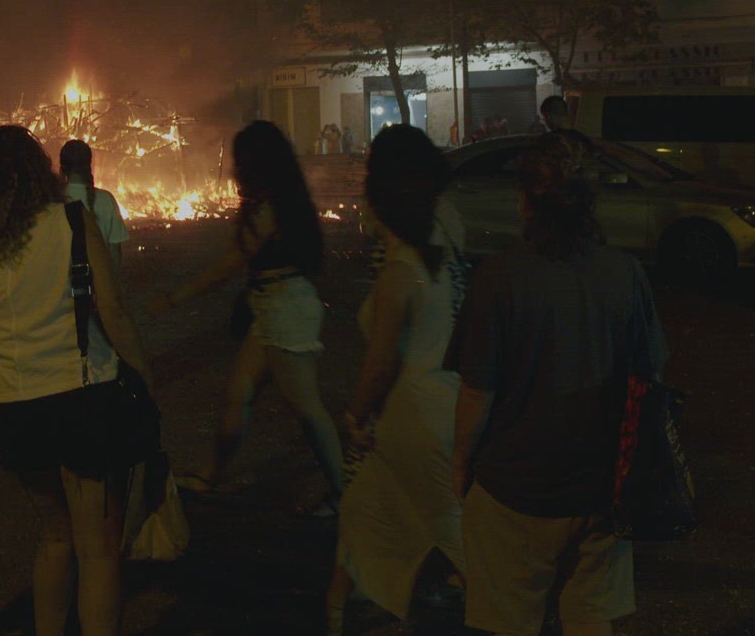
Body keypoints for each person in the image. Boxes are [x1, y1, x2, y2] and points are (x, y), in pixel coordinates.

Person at [445, 134, 668, 636]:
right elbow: (650, 375)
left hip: (516, 487)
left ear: (525, 200)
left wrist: (460, 463)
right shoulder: (625, 272)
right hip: (602, 485)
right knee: (590, 613)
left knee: (512, 618)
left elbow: (478, 390)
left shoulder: (498, 276)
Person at [0, 125, 153, 636]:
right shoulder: (72, 221)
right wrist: (144, 378)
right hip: (83, 395)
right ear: (37, 172)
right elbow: (114, 311)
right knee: (98, 550)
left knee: (56, 538)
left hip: (14, 406)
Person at [151, 120, 346, 516]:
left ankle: (345, 495)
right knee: (238, 395)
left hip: (286, 310)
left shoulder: (270, 208)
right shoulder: (281, 199)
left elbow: (230, 264)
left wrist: (174, 298)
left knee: (308, 409)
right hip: (274, 306)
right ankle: (209, 475)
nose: (235, 170)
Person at [326, 125, 467, 635]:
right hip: (432, 409)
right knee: (364, 516)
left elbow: (382, 361)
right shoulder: (437, 247)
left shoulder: (399, 271)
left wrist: (354, 416)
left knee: (460, 540)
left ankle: (514, 616)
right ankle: (338, 612)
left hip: (412, 420)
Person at [60, 138, 130, 275]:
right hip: (99, 282)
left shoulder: (53, 200)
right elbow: (114, 251)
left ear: (62, 169)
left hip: (62, 284)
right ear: (89, 166)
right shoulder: (106, 200)